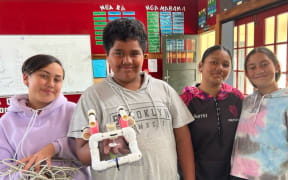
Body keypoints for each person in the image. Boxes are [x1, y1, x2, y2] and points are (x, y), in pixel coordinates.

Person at [68, 18, 196, 180]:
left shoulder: (164, 90)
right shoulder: (92, 97)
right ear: (108, 56)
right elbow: (82, 154)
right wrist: (103, 146)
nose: (127, 60)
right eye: (118, 53)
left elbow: (183, 140)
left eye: (134, 53)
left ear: (144, 55)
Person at [0, 55, 90, 179]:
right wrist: (29, 175)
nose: (50, 84)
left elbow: (89, 150)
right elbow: (3, 171)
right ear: (26, 78)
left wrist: (54, 147)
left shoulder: (74, 111)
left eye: (57, 79)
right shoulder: (6, 122)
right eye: (44, 76)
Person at [180, 45, 244, 180]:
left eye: (225, 64)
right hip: (198, 174)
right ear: (200, 66)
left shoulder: (237, 98)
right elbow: (179, 145)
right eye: (214, 62)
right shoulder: (185, 101)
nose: (220, 68)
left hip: (233, 174)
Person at [230, 47, 288, 180]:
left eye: (264, 64)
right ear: (247, 74)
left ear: (277, 67)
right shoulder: (246, 102)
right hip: (237, 175)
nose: (259, 71)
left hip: (272, 176)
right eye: (252, 67)